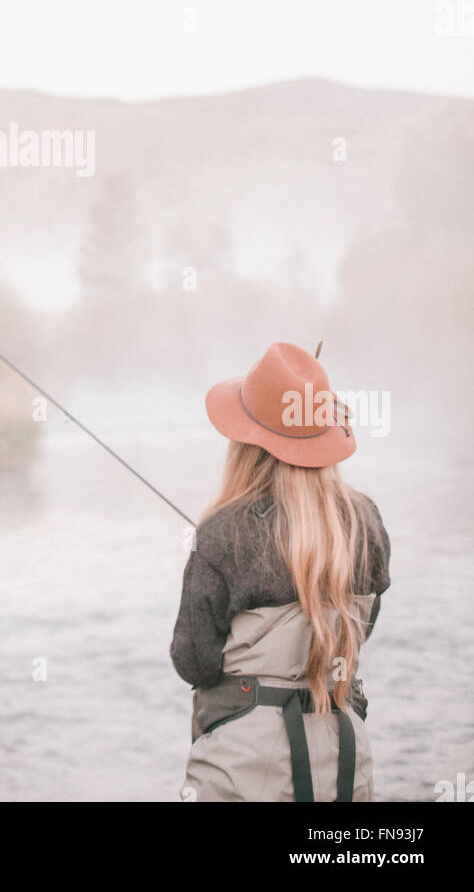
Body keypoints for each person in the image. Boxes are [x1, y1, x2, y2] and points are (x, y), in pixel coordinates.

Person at [170, 341, 391, 802]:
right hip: (345, 759)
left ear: (246, 444)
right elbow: (362, 630)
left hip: (243, 767)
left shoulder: (222, 532)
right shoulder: (366, 520)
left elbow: (194, 661)